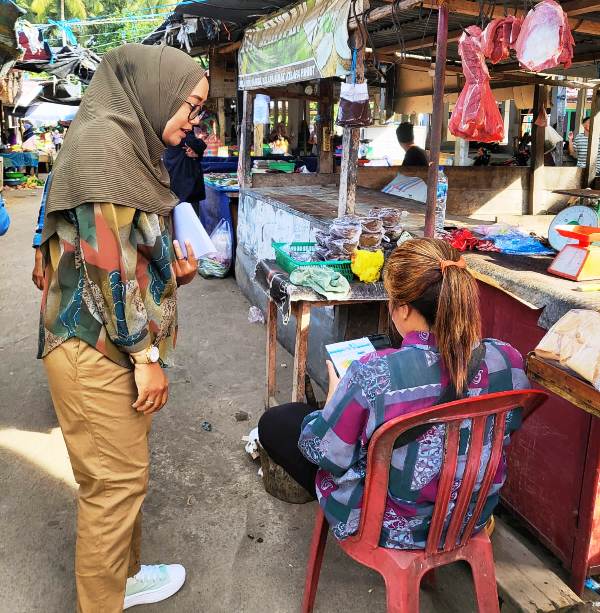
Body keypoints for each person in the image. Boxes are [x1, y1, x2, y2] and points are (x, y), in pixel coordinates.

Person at [37, 43, 208, 612]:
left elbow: (127, 255)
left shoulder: (129, 143)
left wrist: (173, 277)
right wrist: (144, 357)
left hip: (107, 341)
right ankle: (103, 601)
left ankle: (124, 578)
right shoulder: (102, 143)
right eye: (190, 105)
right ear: (156, 91)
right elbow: (105, 264)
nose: (192, 120)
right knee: (112, 489)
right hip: (96, 346)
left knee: (120, 479)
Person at [258, 238, 529, 550]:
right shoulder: (508, 359)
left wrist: (332, 404)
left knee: (280, 422)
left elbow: (325, 453)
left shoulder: (373, 373)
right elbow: (507, 425)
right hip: (470, 516)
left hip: (394, 527)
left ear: (402, 309)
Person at [163, 125, 207, 217]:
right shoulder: (182, 133)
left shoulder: (166, 131)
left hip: (172, 180)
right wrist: (197, 151)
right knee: (190, 219)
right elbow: (200, 145)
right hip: (187, 184)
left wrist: (196, 154)